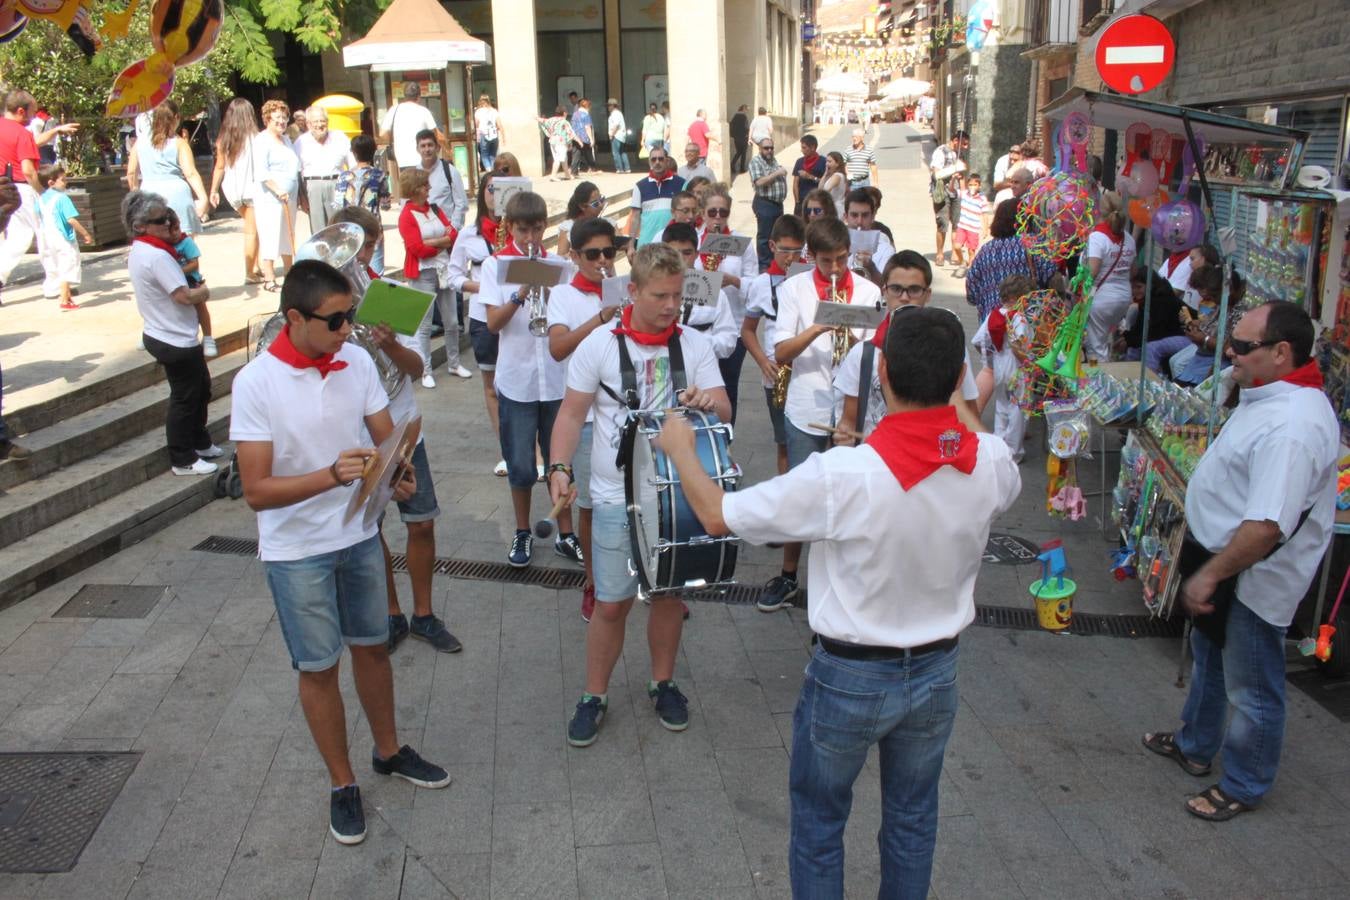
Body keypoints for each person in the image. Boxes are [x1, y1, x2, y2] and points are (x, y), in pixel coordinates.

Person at [655, 306, 1020, 898]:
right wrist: (956, 395)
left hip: (849, 675)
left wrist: (681, 451)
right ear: (957, 378)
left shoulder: (843, 474)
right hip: (937, 671)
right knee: (912, 819)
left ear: (882, 377)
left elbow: (719, 515)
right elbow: (969, 435)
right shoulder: (991, 463)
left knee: (821, 824)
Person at [229, 258, 452, 846]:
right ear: (294, 319)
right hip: (297, 550)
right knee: (319, 666)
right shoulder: (255, 383)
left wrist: (397, 471)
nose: (349, 329)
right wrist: (332, 475)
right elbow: (255, 491)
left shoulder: (354, 359)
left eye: (352, 315)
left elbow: (385, 434)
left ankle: (387, 751)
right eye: (337, 320)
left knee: (373, 648)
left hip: (357, 535)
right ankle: (342, 783)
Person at [1143, 301, 1336, 823]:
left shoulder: (1294, 426)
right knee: (1208, 658)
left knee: (1252, 684)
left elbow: (1267, 527)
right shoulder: (1268, 395)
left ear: (1281, 352)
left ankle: (1246, 782)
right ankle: (1196, 743)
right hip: (1223, 558)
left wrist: (1211, 574)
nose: (1230, 351)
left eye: (1244, 346)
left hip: (1250, 573)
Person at [548, 242, 730, 747]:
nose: (672, 306)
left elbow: (727, 409)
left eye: (677, 295)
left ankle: (663, 682)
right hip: (612, 496)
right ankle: (594, 694)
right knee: (611, 603)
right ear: (633, 291)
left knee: (669, 595)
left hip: (677, 495)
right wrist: (559, 467)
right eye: (660, 296)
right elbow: (569, 414)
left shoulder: (694, 345)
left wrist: (706, 401)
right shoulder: (599, 344)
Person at [331, 205, 463, 657]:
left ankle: (424, 614)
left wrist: (387, 343)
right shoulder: (329, 307)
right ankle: (391, 614)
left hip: (403, 427)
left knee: (421, 522)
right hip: (358, 433)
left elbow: (415, 366)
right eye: (355, 246)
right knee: (373, 529)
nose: (361, 255)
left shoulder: (388, 293)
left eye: (367, 245)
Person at [761, 216, 882, 612]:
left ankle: (844, 584)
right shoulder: (794, 289)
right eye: (827, 261)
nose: (835, 269)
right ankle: (789, 575)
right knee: (801, 494)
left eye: (842, 259)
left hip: (852, 409)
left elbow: (872, 349)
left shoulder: (866, 290)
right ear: (812, 256)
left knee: (849, 499)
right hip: (806, 404)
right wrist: (816, 328)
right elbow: (780, 353)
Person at [481, 191, 582, 567]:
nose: (530, 238)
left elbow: (571, 313)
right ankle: (523, 531)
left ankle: (566, 534)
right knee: (521, 464)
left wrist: (553, 290)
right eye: (523, 230)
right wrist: (521, 294)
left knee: (562, 461)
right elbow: (493, 323)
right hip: (518, 379)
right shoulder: (496, 266)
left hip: (556, 378)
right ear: (510, 228)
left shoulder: (558, 265)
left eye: (537, 229)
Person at [546, 216, 622, 622]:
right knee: (592, 508)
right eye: (592, 254)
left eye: (609, 252)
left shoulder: (626, 286)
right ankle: (593, 583)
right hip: (588, 414)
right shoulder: (564, 295)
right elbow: (558, 348)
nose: (602, 260)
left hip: (625, 410)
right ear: (574, 256)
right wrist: (601, 317)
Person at [836, 250, 982, 441]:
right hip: (877, 460)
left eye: (914, 290)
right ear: (884, 290)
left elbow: (969, 412)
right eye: (896, 289)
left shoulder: (950, 348)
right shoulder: (863, 354)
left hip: (931, 459)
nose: (904, 297)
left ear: (927, 294)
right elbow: (848, 421)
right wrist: (843, 440)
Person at [123, 191, 218, 476]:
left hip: (171, 333)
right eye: (160, 220)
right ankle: (183, 458)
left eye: (167, 216)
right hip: (172, 338)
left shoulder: (148, 250)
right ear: (141, 226)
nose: (168, 223)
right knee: (185, 399)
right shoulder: (155, 256)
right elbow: (183, 296)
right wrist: (204, 291)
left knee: (201, 390)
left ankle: (199, 442)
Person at [449, 171, 509, 476]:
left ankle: (537, 451)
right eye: (490, 189)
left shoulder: (519, 232)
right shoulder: (468, 234)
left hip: (517, 315)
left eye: (502, 189)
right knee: (492, 388)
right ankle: (507, 451)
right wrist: (484, 285)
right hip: (483, 315)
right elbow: (453, 276)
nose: (495, 195)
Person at [742, 214, 806, 488]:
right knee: (783, 442)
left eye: (797, 251)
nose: (791, 258)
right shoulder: (760, 284)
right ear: (771, 246)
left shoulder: (807, 280)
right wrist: (761, 361)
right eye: (785, 251)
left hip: (805, 369)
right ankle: (787, 492)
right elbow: (747, 330)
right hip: (775, 373)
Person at [397, 168, 469, 387]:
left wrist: (433, 243)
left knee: (452, 321)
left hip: (443, 270)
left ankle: (454, 363)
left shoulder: (434, 209)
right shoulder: (407, 215)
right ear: (414, 189)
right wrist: (442, 242)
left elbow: (453, 235)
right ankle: (426, 369)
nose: (428, 189)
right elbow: (416, 248)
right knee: (425, 325)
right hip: (422, 273)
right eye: (424, 185)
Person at [970, 274, 1034, 460]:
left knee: (1002, 404)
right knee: (1018, 407)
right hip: (1017, 367)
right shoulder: (1019, 318)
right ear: (1017, 298)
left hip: (999, 364)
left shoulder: (994, 314)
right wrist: (1030, 363)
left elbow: (977, 341)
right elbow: (1018, 345)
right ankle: (1013, 451)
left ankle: (999, 444)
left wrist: (990, 356)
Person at [126, 100, 210, 237]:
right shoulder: (179, 143)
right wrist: (203, 198)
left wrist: (136, 195)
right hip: (178, 194)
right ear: (176, 118)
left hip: (149, 196)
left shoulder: (140, 142)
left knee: (156, 245)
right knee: (184, 245)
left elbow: (131, 172)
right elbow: (190, 173)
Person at [965, 198, 1057, 322]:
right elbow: (1051, 276)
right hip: (1027, 321)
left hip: (993, 325)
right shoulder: (1033, 244)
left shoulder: (985, 251)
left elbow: (972, 292)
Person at [662, 221, 738, 356]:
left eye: (686, 253)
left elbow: (729, 341)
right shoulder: (650, 290)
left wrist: (694, 340)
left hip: (702, 367)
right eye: (673, 253)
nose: (680, 259)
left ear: (696, 254)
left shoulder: (714, 291)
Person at [208, 98, 263, 284]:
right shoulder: (257, 138)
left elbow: (219, 167)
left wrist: (213, 190)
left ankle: (255, 266)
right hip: (253, 188)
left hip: (232, 189)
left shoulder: (224, 139)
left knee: (254, 229)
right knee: (252, 231)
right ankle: (250, 271)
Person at [1082, 191, 1137, 363]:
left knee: (1095, 346)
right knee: (1107, 341)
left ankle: (1096, 379)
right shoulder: (1128, 238)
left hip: (1101, 299)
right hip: (1123, 298)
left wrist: (1082, 291)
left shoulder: (1097, 237)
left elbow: (1093, 270)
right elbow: (1133, 270)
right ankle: (1109, 371)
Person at [253, 99, 301, 293]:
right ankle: (269, 277)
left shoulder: (287, 140)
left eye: (284, 117)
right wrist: (277, 189)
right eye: (277, 118)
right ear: (267, 120)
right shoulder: (261, 140)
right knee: (270, 234)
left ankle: (290, 273)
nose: (281, 122)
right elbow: (262, 172)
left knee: (287, 234)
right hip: (270, 196)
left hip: (289, 195)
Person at [36, 164, 92, 310]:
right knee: (68, 265)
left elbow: (39, 217)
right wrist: (85, 233)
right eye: (63, 179)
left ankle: (66, 297)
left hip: (47, 238)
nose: (66, 182)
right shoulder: (62, 198)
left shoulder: (40, 199)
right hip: (63, 238)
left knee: (59, 266)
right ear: (51, 182)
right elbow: (71, 219)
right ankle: (64, 299)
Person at [333, 135, 390, 274]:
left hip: (348, 227)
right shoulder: (379, 175)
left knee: (351, 270)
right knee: (375, 271)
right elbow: (385, 204)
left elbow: (337, 204)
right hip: (372, 225)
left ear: (353, 152)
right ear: (373, 151)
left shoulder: (343, 176)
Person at [164, 208, 215, 357]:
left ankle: (208, 338)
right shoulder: (161, 246)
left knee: (200, 307)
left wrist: (177, 272)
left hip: (190, 280)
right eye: (170, 230)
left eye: (177, 229)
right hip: (172, 282)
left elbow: (194, 264)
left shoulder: (186, 242)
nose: (175, 233)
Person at [294, 105, 352, 234]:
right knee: (319, 231)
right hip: (312, 187)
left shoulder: (339, 137)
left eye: (323, 121)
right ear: (308, 124)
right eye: (316, 121)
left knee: (339, 227)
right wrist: (301, 197)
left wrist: (350, 188)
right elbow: (297, 171)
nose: (320, 125)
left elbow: (352, 164)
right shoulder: (301, 142)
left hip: (337, 185)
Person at [1119, 267, 1188, 373]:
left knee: (1150, 348)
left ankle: (1147, 381)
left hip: (1185, 336)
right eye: (1132, 287)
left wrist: (1128, 338)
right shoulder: (1148, 300)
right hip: (1165, 335)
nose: (1135, 291)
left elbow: (1152, 333)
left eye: (1139, 287)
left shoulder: (1160, 301)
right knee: (1134, 348)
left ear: (1151, 284)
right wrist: (1127, 337)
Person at [626, 146, 685, 248]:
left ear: (666, 161)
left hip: (673, 245)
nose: (657, 162)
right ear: (650, 162)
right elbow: (635, 218)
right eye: (653, 159)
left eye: (661, 159)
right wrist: (631, 245)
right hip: (646, 245)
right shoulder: (639, 186)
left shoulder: (681, 183)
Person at [379, 81, 440, 176]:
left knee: (409, 189)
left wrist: (394, 140)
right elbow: (436, 134)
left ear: (404, 96)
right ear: (419, 96)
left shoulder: (394, 110)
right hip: (423, 159)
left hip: (402, 159)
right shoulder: (423, 111)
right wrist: (447, 149)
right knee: (424, 188)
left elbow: (382, 134)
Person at [413, 128, 468, 230]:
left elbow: (461, 204)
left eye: (430, 145)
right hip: (423, 233)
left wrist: (453, 227)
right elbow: (407, 206)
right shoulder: (413, 176)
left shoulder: (450, 172)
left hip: (447, 231)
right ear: (417, 149)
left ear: (437, 148)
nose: (427, 149)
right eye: (423, 146)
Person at [929, 130, 967, 268]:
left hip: (956, 193)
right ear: (955, 140)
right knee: (942, 225)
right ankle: (939, 253)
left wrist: (964, 193)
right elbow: (936, 174)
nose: (965, 147)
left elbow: (962, 175)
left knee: (957, 224)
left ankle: (954, 254)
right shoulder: (941, 151)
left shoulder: (960, 154)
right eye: (964, 143)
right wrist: (953, 169)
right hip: (942, 193)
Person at [749, 137, 788, 270]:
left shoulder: (772, 160)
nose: (769, 150)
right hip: (765, 203)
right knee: (765, 236)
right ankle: (765, 265)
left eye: (771, 147)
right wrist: (777, 173)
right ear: (760, 149)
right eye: (766, 148)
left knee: (776, 235)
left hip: (777, 204)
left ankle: (774, 263)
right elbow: (759, 182)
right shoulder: (756, 162)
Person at [843, 188, 895, 287]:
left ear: (872, 217)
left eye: (865, 215)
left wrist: (871, 267)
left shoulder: (885, 249)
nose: (859, 221)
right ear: (845, 217)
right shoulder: (834, 244)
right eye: (854, 215)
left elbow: (886, 288)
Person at [1162, 242, 1219, 311]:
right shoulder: (1192, 275)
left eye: (1192, 259)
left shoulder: (1213, 283)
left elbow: (1204, 316)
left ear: (1203, 259)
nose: (1190, 263)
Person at [952, 173, 987, 277]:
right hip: (962, 226)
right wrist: (954, 179)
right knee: (957, 246)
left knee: (971, 251)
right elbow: (952, 190)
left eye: (975, 185)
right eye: (970, 184)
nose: (972, 187)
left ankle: (971, 271)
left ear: (979, 186)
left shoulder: (982, 199)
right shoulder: (964, 194)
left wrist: (986, 229)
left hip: (973, 229)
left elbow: (985, 214)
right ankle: (962, 262)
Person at [557, 180, 603, 257]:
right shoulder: (568, 228)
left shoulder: (605, 223)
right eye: (595, 204)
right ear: (582, 206)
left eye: (601, 199)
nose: (601, 205)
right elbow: (560, 259)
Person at [790, 135, 826, 218]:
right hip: (802, 200)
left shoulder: (823, 161)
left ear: (813, 147)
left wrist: (810, 177)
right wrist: (797, 202)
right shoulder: (799, 162)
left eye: (804, 148)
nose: (802, 150)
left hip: (817, 201)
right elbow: (795, 183)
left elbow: (826, 183)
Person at [540, 106, 575, 181]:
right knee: (558, 159)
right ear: (565, 113)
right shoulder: (564, 122)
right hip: (561, 142)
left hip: (552, 140)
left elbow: (542, 122)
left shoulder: (551, 120)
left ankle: (567, 175)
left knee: (564, 158)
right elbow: (570, 134)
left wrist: (548, 133)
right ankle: (553, 175)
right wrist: (570, 143)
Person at [473, 94, 502, 173]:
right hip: (494, 135)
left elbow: (476, 124)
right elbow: (499, 125)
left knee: (484, 155)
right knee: (493, 155)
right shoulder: (494, 110)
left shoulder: (478, 111)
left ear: (480, 101)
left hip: (484, 135)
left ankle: (489, 172)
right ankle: (494, 171)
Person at [570, 98, 596, 174]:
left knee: (576, 155)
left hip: (576, 137)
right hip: (584, 137)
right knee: (588, 154)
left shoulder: (575, 114)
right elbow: (587, 127)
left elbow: (572, 125)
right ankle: (592, 168)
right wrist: (591, 139)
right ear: (587, 106)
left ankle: (574, 171)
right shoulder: (586, 114)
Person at [606, 98, 629, 174]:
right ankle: (627, 168)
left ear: (613, 106)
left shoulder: (615, 114)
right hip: (621, 135)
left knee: (616, 153)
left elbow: (616, 125)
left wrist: (611, 134)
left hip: (616, 135)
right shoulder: (619, 113)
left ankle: (619, 169)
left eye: (609, 105)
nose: (608, 107)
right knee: (622, 152)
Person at [729, 104, 749, 174]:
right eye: (746, 109)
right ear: (743, 109)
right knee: (743, 153)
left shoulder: (735, 116)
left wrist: (733, 135)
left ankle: (732, 164)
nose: (747, 111)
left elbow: (731, 125)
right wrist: (747, 134)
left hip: (736, 138)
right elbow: (746, 127)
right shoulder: (744, 116)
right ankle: (742, 168)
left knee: (738, 152)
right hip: (743, 138)